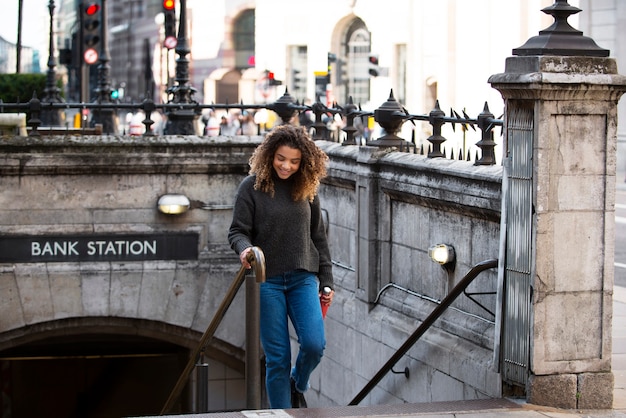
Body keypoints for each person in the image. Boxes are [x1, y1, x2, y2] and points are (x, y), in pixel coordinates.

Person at [228, 124, 335, 409]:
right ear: (270, 155)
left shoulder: (307, 188)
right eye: (281, 158)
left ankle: (297, 383)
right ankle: (281, 414)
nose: (286, 166)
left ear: (304, 162)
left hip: (303, 279)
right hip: (267, 281)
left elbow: (318, 237)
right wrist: (245, 249)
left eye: (294, 161)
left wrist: (327, 281)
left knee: (314, 344)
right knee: (277, 358)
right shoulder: (251, 188)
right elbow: (237, 232)